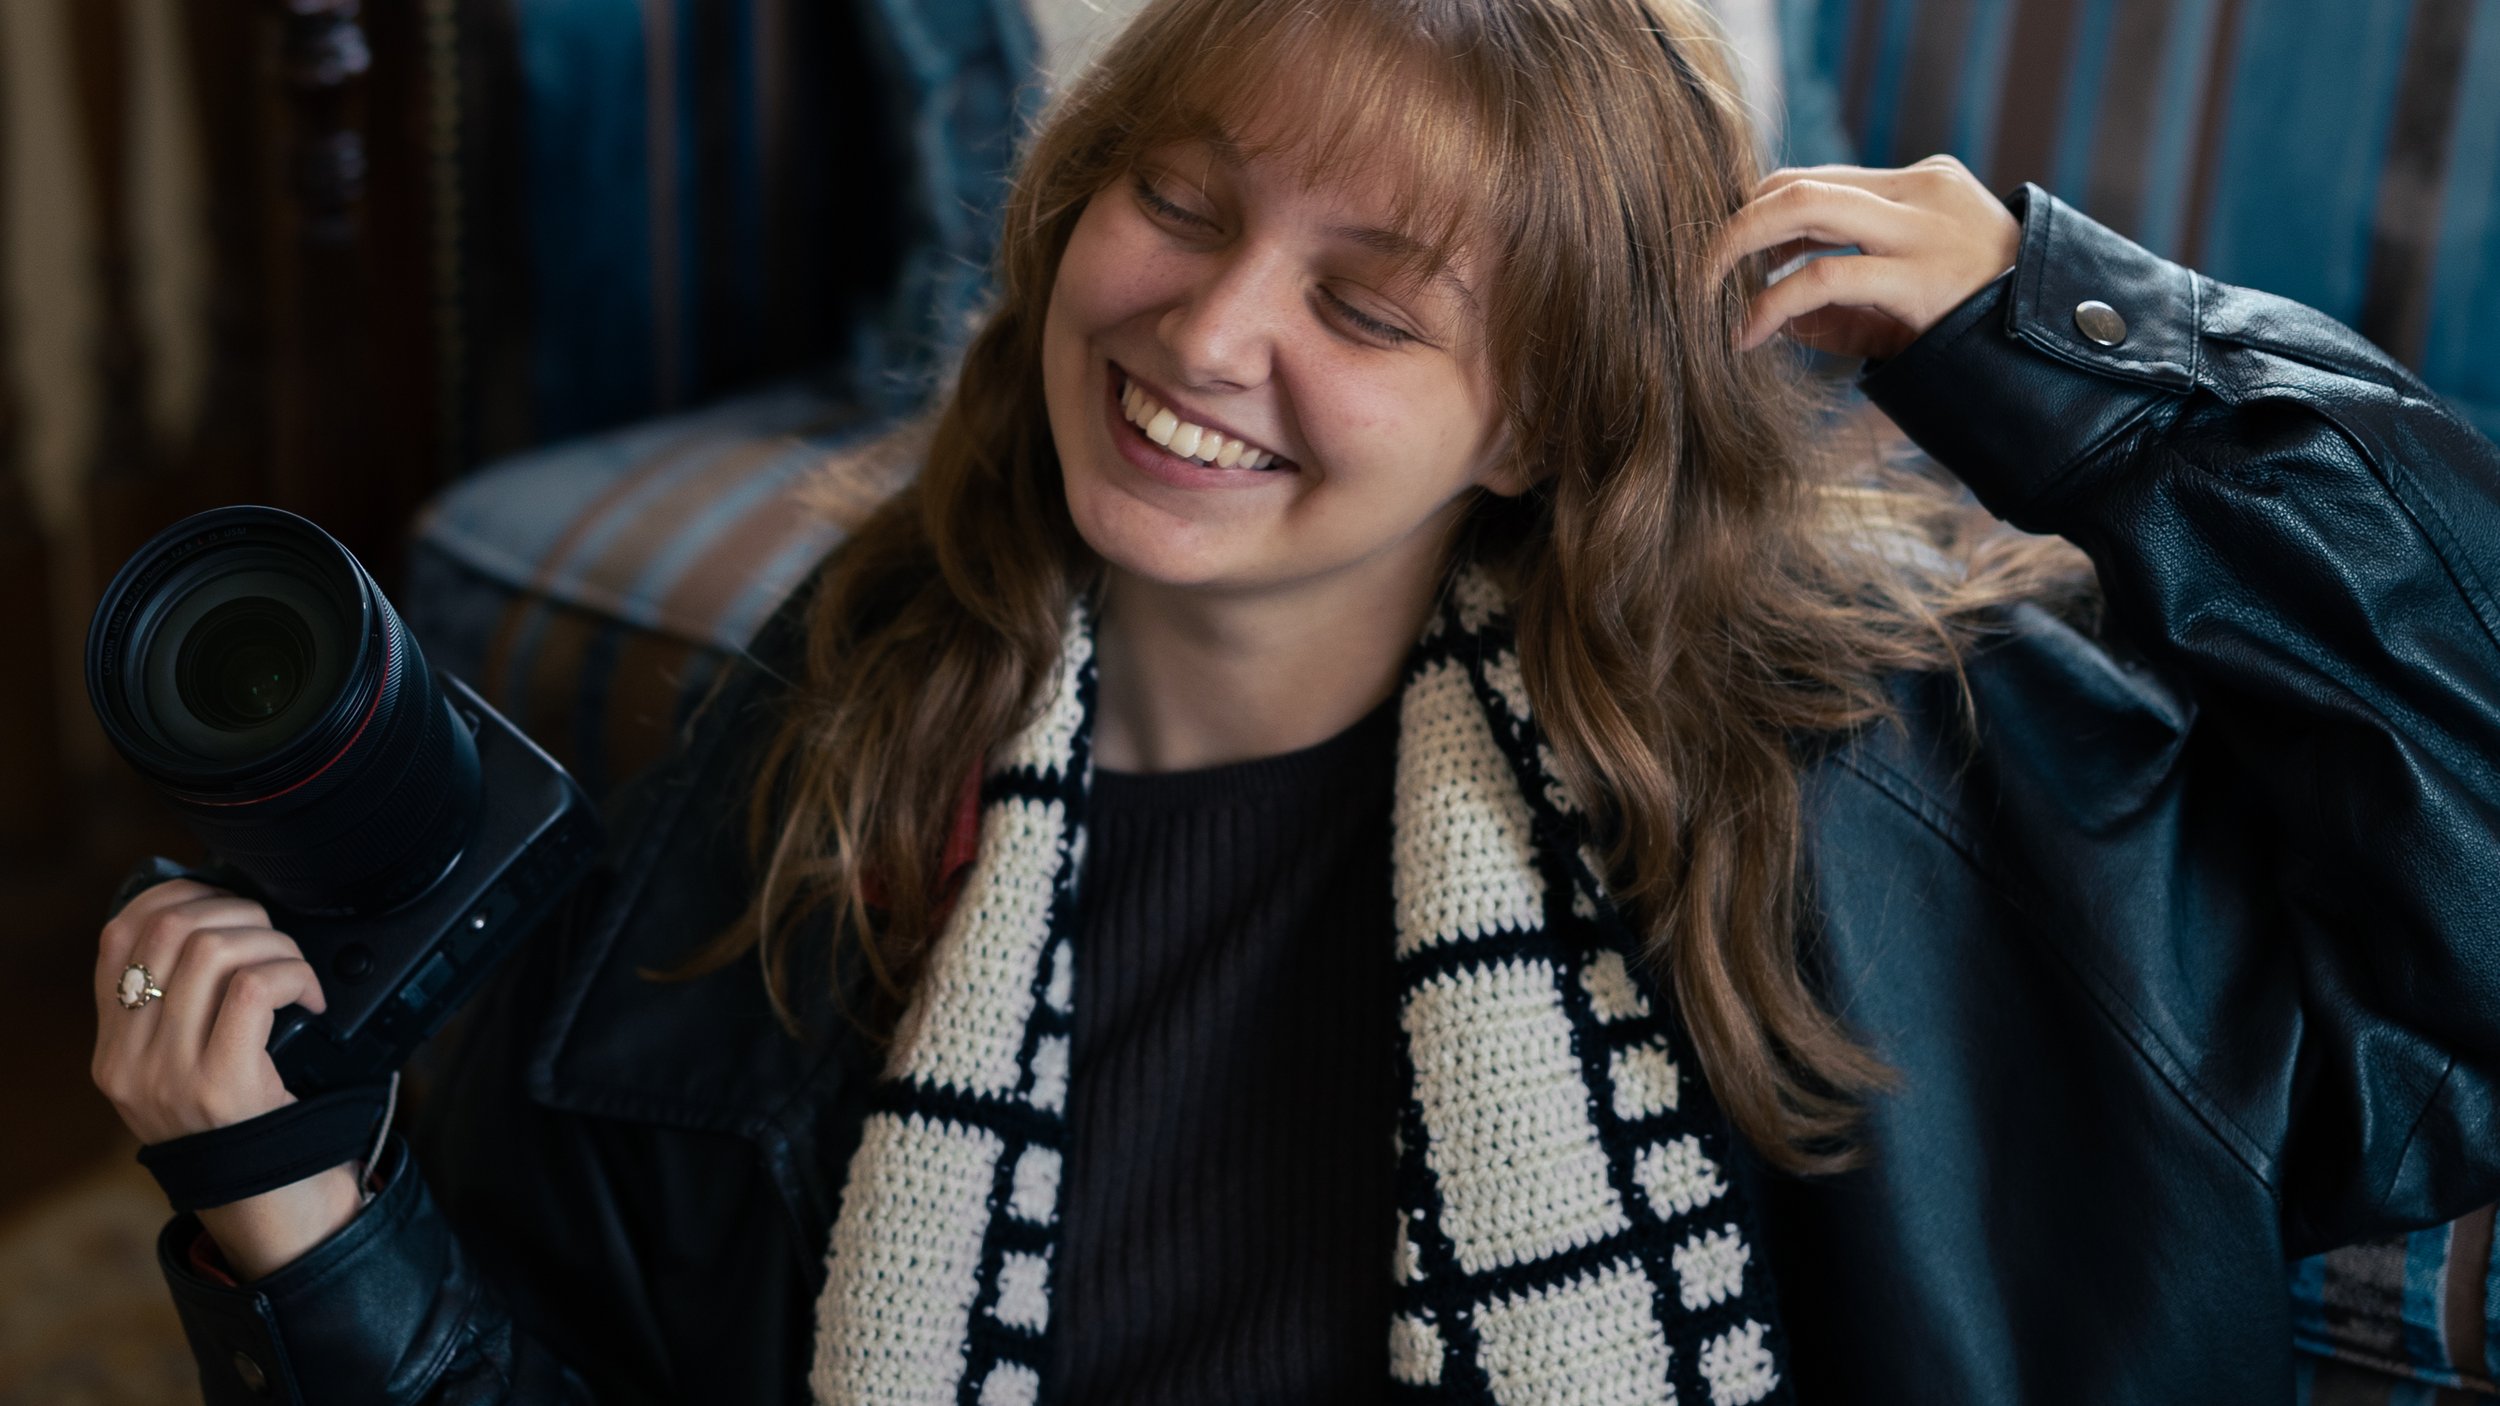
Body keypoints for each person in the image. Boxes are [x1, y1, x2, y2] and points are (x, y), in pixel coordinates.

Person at [89, 0, 2500, 1401]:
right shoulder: (839, 730)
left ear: (1540, 420)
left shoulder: (1882, 784)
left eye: (1371, 301)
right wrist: (319, 1235)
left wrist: (2084, 344)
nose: (1207, 333)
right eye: (1178, 200)